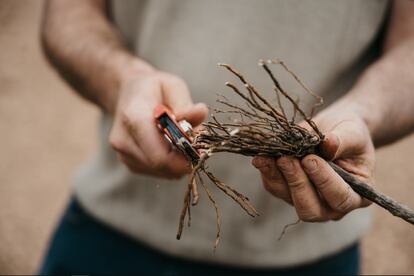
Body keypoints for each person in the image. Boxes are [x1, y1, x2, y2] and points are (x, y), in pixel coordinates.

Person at [40, 0, 414, 274]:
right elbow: (68, 14)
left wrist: (363, 113)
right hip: (108, 237)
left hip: (309, 260)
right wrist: (121, 79)